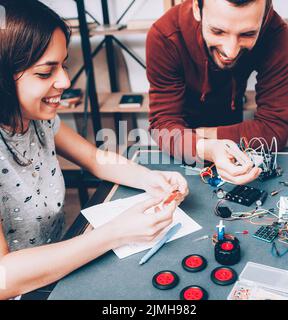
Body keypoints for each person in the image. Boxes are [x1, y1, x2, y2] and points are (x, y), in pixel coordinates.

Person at [0, 0, 188, 300]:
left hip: (56, 272)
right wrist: (116, 232)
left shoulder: (36, 119)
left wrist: (151, 179)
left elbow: (94, 158)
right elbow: (3, 278)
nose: (64, 81)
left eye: (63, 65)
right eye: (45, 72)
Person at [146, 0, 288, 184]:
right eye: (217, 31)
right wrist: (205, 147)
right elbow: (163, 126)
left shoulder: (274, 31)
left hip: (215, 129)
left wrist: (201, 137)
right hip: (181, 145)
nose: (230, 51)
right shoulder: (165, 35)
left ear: (264, 18)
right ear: (197, 8)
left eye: (248, 34)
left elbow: (275, 126)